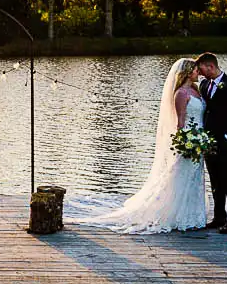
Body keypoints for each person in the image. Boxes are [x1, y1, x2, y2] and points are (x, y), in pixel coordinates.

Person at [82, 57, 207, 234]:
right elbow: (180, 122)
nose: (198, 73)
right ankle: (177, 216)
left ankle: (193, 216)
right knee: (183, 177)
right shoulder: (181, 94)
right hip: (189, 140)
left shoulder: (196, 91)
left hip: (200, 139)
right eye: (195, 70)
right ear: (187, 72)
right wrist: (185, 141)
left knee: (195, 178)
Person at [195, 52, 227, 234]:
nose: (200, 74)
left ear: (210, 66)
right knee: (215, 179)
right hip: (207, 141)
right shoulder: (203, 85)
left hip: (225, 141)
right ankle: (219, 217)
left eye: (202, 70)